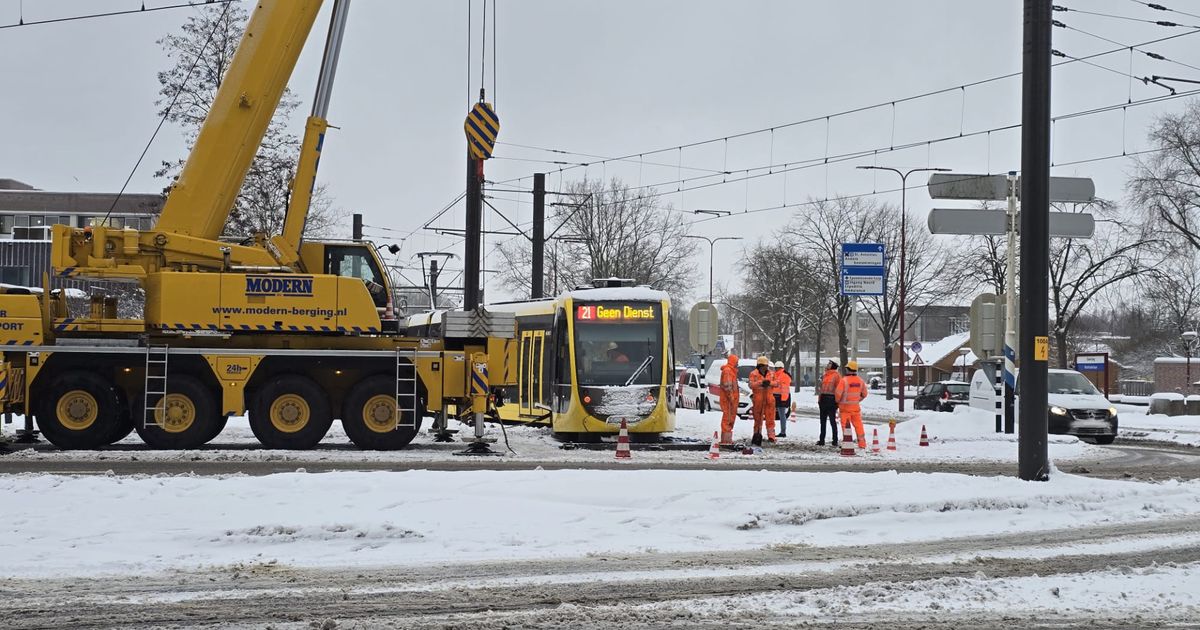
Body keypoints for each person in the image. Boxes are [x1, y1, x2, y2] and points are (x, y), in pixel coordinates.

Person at [834, 359, 868, 449]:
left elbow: (837, 394)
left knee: (846, 427)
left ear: (848, 369)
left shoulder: (844, 381)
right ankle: (862, 444)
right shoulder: (860, 381)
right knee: (859, 426)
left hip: (845, 409)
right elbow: (865, 394)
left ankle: (847, 443)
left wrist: (838, 402)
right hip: (856, 408)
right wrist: (857, 400)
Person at [747, 355, 777, 445]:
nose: (766, 368)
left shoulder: (771, 374)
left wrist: (770, 383)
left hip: (769, 400)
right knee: (758, 419)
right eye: (764, 366)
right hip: (758, 400)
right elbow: (751, 385)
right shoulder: (753, 374)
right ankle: (757, 434)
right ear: (760, 366)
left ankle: (771, 436)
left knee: (770, 419)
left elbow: (777, 383)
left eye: (767, 366)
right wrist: (761, 383)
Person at [816, 360, 841, 446]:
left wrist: (837, 402)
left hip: (831, 400)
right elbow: (821, 388)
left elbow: (839, 390)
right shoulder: (825, 375)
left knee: (832, 421)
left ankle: (835, 440)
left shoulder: (837, 376)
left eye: (830, 363)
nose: (827, 364)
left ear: (834, 365)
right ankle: (821, 440)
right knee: (822, 421)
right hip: (823, 399)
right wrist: (819, 399)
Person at [718, 353, 740, 445]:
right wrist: (731, 398)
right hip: (728, 400)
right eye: (736, 362)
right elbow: (727, 386)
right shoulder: (728, 371)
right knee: (727, 419)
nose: (737, 364)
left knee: (729, 418)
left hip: (730, 399)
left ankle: (726, 439)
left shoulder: (731, 371)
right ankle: (726, 440)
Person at [773, 361, 792, 438]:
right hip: (780, 397)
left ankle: (783, 432)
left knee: (781, 414)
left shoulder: (782, 375)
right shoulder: (778, 375)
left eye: (776, 368)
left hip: (781, 397)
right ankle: (782, 431)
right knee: (781, 415)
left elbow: (784, 388)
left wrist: (783, 399)